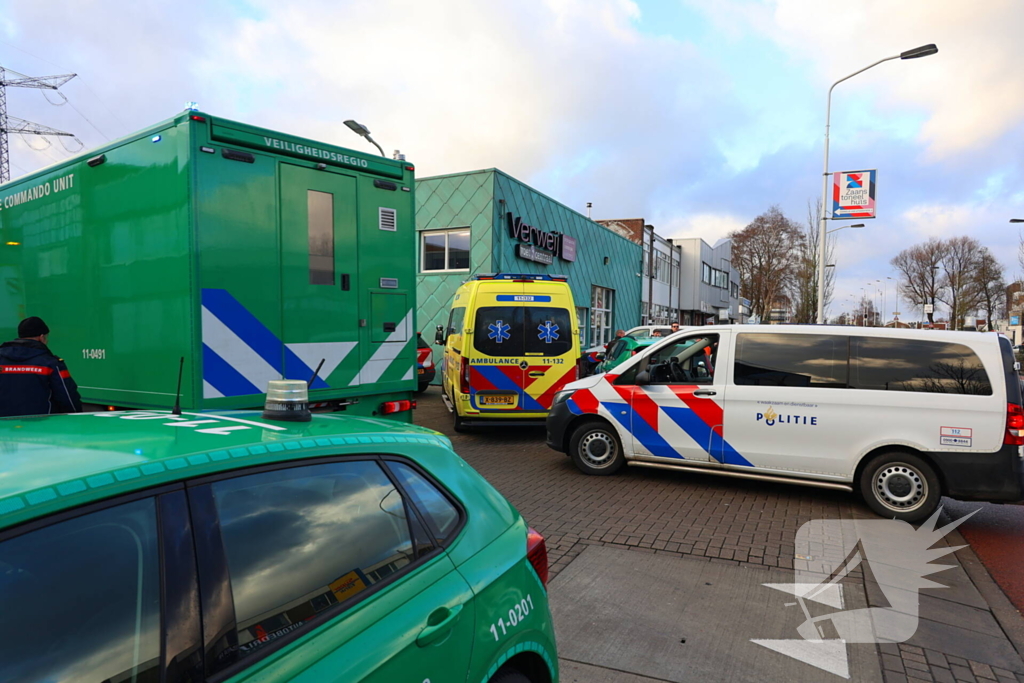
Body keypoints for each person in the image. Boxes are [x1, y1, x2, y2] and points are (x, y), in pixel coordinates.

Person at [0, 316, 82, 417]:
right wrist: (77, 415)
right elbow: (67, 396)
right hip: (42, 423)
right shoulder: (51, 363)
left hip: (4, 423)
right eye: (46, 337)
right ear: (41, 337)